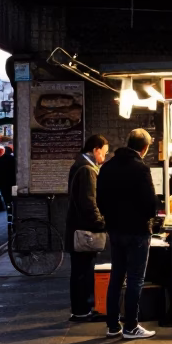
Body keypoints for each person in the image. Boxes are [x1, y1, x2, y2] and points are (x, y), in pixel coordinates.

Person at [97, 128, 158, 340]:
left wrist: (111, 218)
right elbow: (150, 203)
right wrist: (149, 217)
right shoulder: (140, 168)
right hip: (138, 231)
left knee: (116, 276)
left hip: (115, 230)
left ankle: (112, 326)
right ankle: (131, 326)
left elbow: (100, 201)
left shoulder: (107, 167)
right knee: (135, 279)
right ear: (145, 148)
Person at [65, 135, 108, 322]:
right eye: (104, 153)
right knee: (83, 271)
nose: (104, 157)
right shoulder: (87, 170)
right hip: (83, 229)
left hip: (78, 226)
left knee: (81, 270)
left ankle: (81, 309)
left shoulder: (80, 166)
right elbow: (89, 202)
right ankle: (82, 310)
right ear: (96, 149)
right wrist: (101, 222)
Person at [0, 146, 16, 214]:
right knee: (14, 196)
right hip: (13, 182)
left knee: (6, 197)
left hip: (2, 182)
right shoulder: (13, 159)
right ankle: (14, 207)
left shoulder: (0, 159)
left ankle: (8, 208)